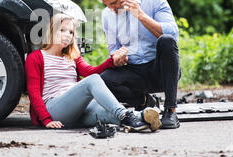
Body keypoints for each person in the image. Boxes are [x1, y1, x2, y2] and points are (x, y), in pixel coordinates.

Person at [25, 13, 161, 131]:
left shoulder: (72, 56)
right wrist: (47, 120)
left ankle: (143, 118)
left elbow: (90, 71)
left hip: (76, 110)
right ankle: (126, 115)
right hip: (55, 110)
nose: (68, 35)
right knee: (93, 81)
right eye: (63, 30)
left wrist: (112, 61)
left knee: (108, 113)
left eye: (71, 32)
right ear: (52, 31)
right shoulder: (36, 57)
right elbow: (34, 94)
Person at [90, 0, 181, 129]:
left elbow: (172, 34)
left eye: (114, 3)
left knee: (166, 40)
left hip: (160, 70)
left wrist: (140, 15)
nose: (111, 8)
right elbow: (113, 48)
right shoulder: (107, 15)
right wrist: (117, 58)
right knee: (104, 79)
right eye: (106, 4)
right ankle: (144, 101)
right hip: (134, 72)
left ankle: (170, 111)